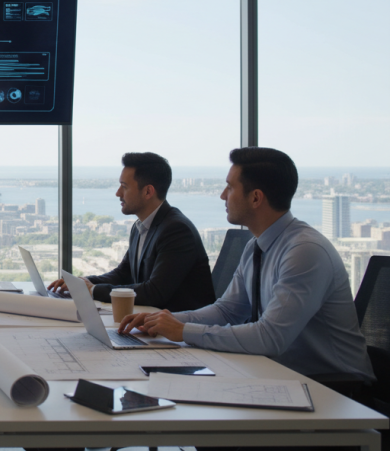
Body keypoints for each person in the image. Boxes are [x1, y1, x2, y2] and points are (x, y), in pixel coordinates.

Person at [119, 147, 375, 384]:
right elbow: (228, 311)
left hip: (335, 386)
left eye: (229, 188)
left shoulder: (305, 251)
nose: (222, 195)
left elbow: (270, 337)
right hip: (279, 373)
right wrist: (163, 320)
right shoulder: (256, 246)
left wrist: (183, 330)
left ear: (255, 198)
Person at [47, 152, 215, 312]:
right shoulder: (140, 226)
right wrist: (84, 282)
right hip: (149, 321)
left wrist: (93, 290)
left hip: (178, 332)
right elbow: (123, 273)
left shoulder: (176, 230)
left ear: (148, 191)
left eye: (124, 187)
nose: (118, 193)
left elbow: (154, 292)